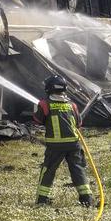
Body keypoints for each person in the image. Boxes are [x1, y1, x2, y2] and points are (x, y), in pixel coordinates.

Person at [33, 75, 94, 207]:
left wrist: (36, 109)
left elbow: (38, 120)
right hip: (74, 144)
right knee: (78, 169)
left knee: (48, 170)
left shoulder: (44, 104)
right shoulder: (72, 105)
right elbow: (79, 123)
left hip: (55, 146)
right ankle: (87, 199)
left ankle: (42, 200)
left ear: (49, 88)